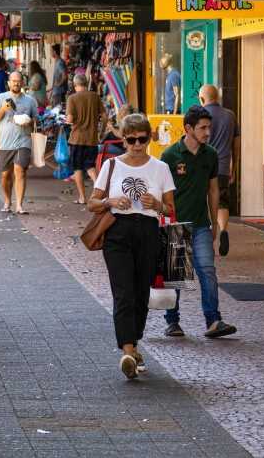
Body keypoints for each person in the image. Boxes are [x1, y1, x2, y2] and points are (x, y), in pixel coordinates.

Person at [87, 113, 176, 379]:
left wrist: (157, 205)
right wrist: (110, 202)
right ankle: (127, 350)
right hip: (117, 231)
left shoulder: (161, 168)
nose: (137, 145)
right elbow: (93, 203)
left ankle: (134, 344)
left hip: (148, 232)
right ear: (123, 140)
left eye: (143, 139)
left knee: (140, 294)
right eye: (132, 140)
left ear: (149, 138)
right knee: (123, 292)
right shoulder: (111, 166)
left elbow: (172, 210)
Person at [161, 105, 237, 339]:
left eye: (209, 127)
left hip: (201, 224)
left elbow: (213, 190)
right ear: (188, 128)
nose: (207, 132)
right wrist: (165, 221)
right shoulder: (170, 155)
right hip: (176, 222)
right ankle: (172, 322)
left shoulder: (211, 154)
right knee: (177, 275)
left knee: (207, 270)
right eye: (202, 128)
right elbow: (163, 191)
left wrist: (215, 222)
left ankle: (213, 320)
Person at [200, 84, 240, 256]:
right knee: (222, 202)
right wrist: (234, 165)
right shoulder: (230, 116)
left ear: (202, 99)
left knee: (203, 204)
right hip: (223, 167)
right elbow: (236, 144)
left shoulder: (199, 115)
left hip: (202, 167)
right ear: (218, 97)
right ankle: (223, 230)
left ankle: (208, 242)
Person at [0, 71, 38, 214]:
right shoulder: (1, 97)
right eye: (13, 81)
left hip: (23, 141)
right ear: (9, 83)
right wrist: (3, 109)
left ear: (22, 83)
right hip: (5, 143)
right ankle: (7, 201)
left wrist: (29, 122)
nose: (16, 83)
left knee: (20, 171)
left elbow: (36, 122)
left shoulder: (30, 101)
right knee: (6, 175)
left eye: (19, 81)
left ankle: (19, 205)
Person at [66, 74, 107, 204]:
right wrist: (101, 131)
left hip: (76, 139)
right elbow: (105, 116)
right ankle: (99, 191)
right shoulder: (95, 97)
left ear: (74, 84)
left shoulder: (72, 98)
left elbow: (70, 120)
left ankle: (82, 197)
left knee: (77, 168)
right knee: (90, 167)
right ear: (87, 83)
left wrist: (67, 120)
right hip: (91, 139)